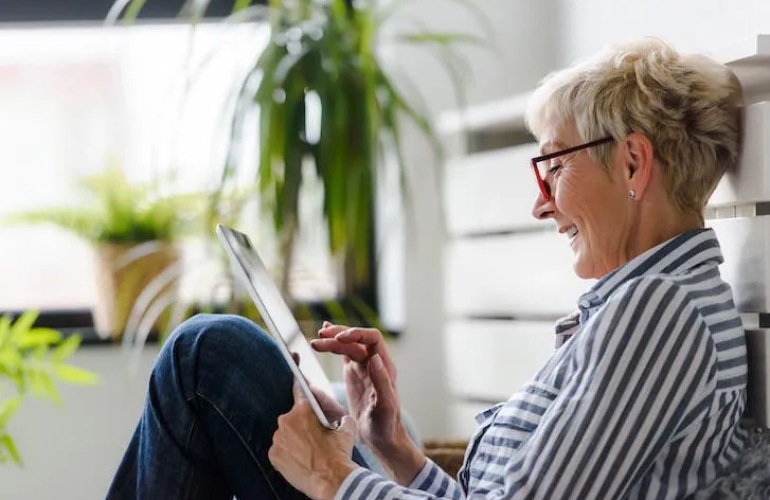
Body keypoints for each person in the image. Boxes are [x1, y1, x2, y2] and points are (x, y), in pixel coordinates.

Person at [107, 37, 747, 499]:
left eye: (553, 164)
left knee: (207, 354)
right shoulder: (647, 306)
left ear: (633, 164)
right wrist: (393, 450)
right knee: (212, 358)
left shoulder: (662, 313)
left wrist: (337, 479)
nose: (539, 201)